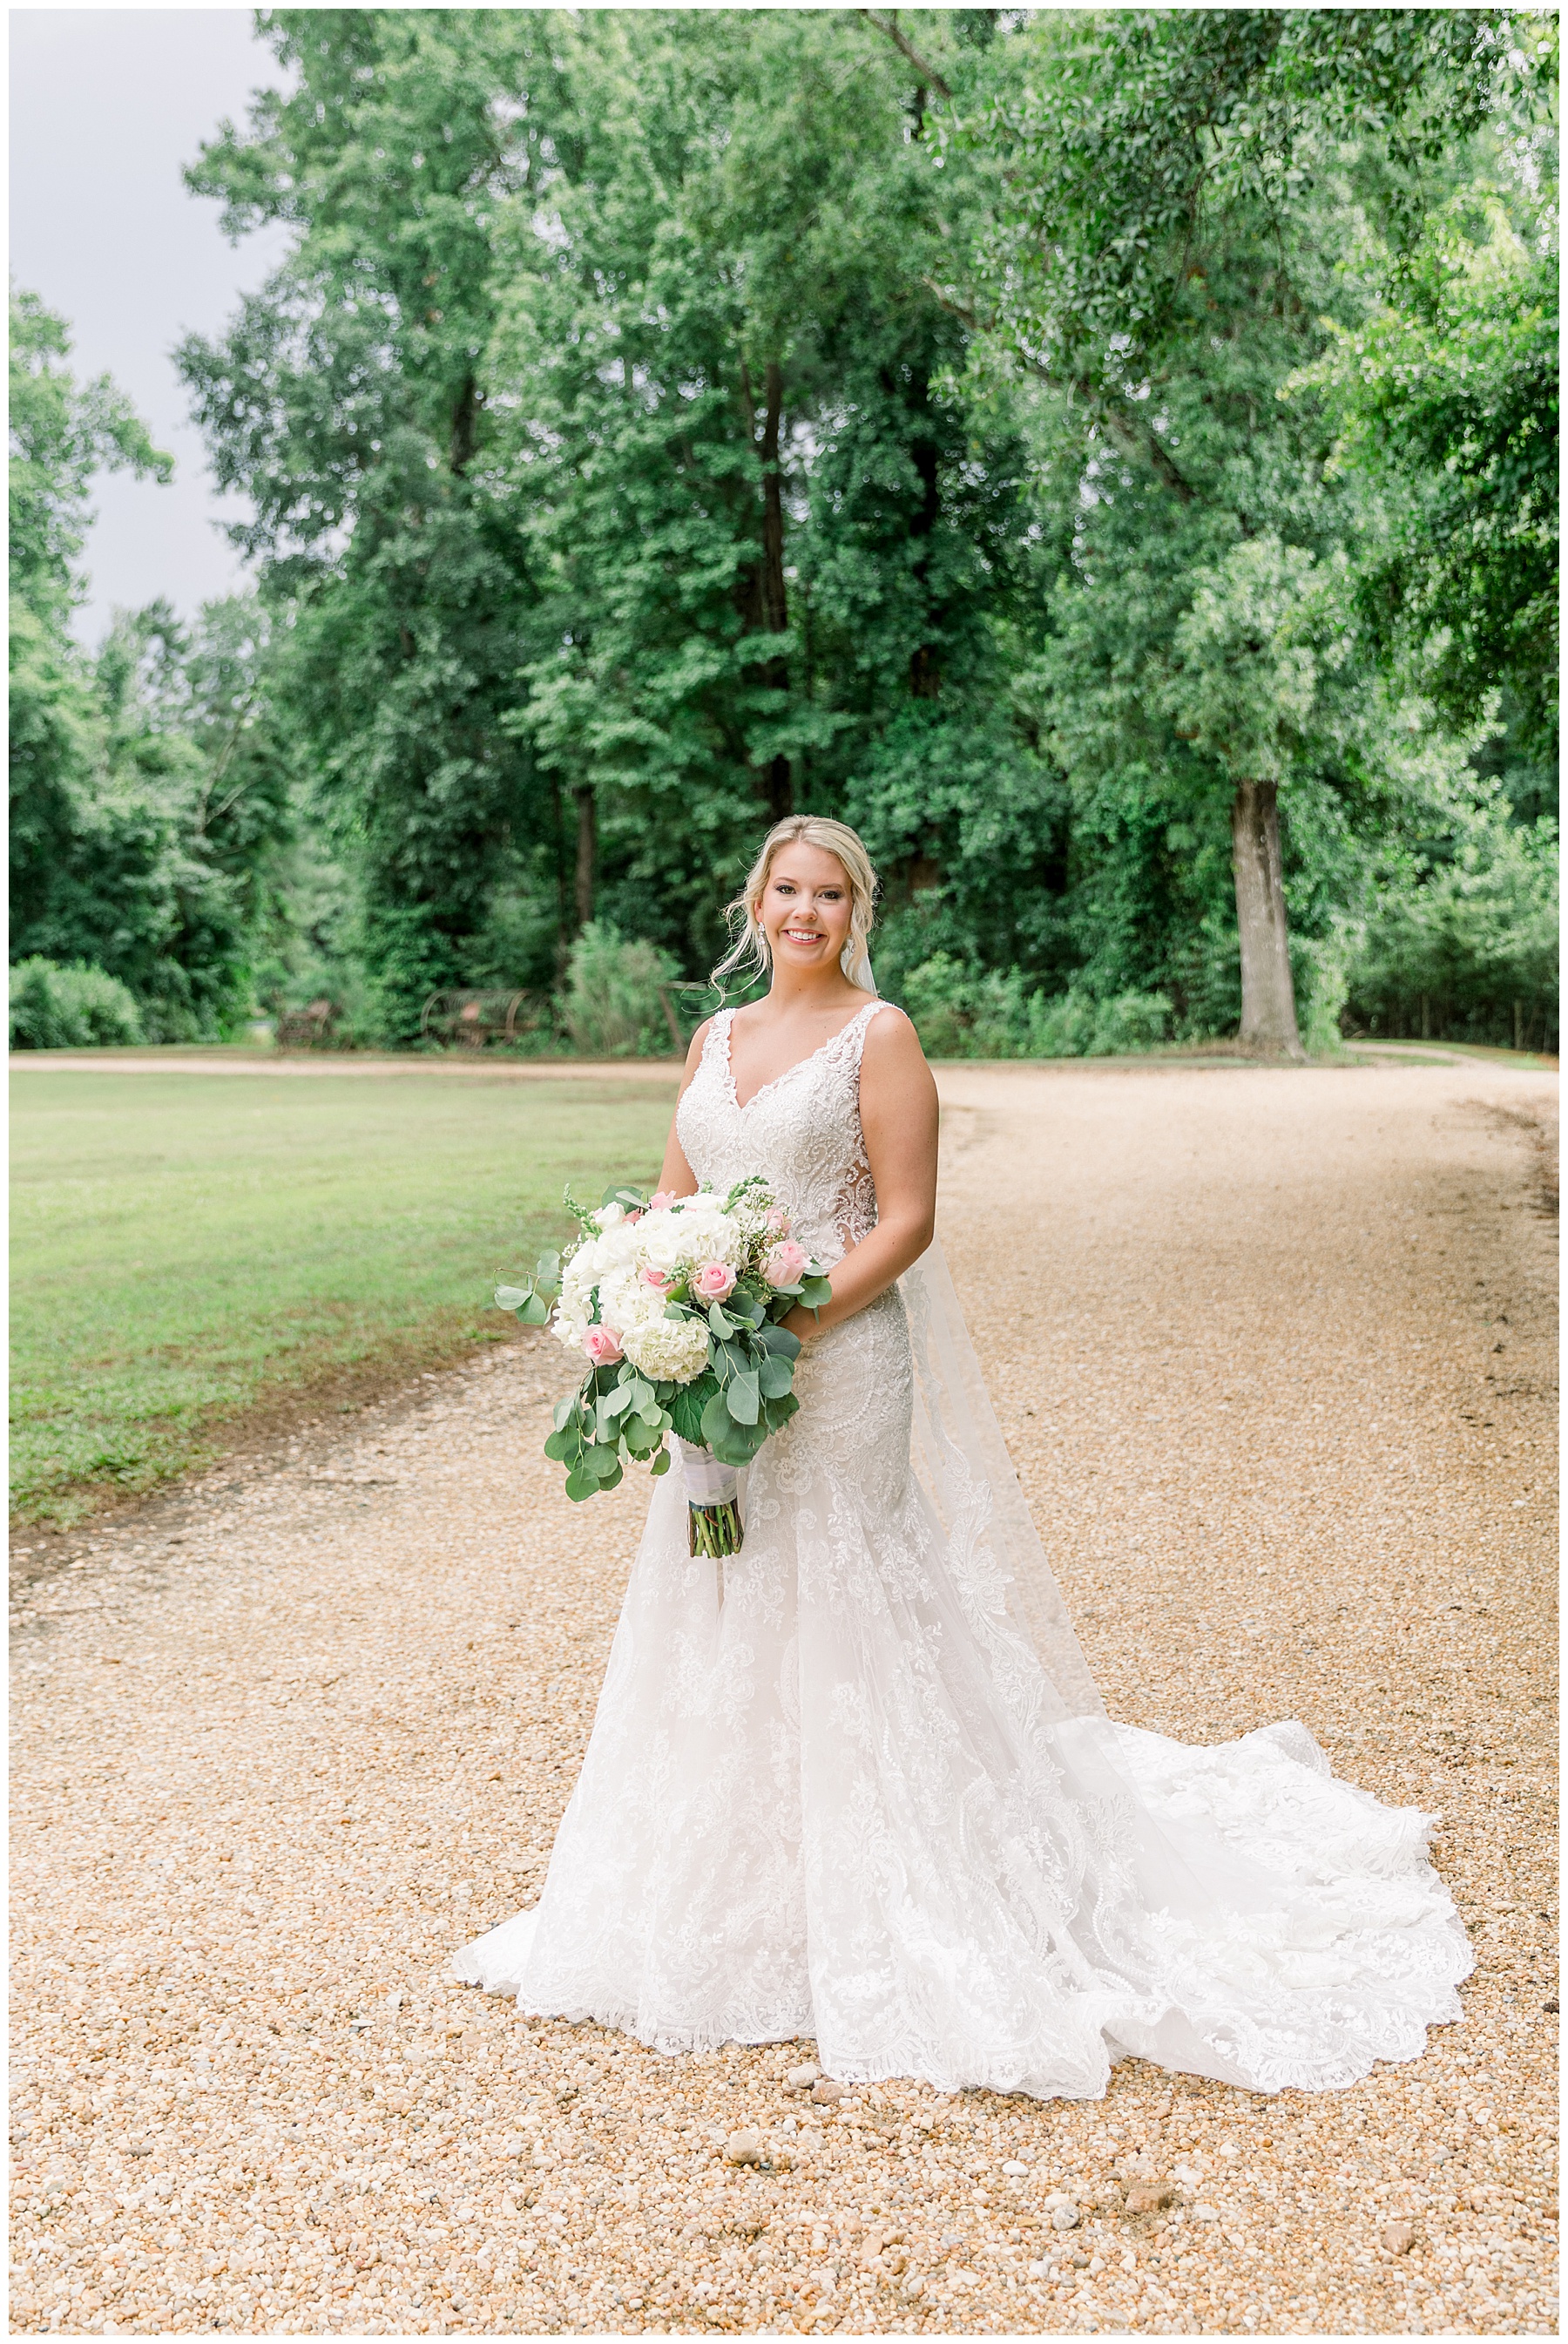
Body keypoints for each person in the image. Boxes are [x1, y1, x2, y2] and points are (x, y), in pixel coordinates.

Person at [456, 816, 1470, 2099]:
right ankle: (739, 1896)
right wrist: (652, 1304)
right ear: (755, 903)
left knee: (851, 1584)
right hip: (720, 1369)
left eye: (831, 894)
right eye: (787, 889)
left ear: (856, 911)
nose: (806, 912)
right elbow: (676, 1197)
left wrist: (790, 1326)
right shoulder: (714, 1040)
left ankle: (906, 1890)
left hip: (840, 1365)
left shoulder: (880, 1037)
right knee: (726, 1583)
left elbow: (909, 1219)